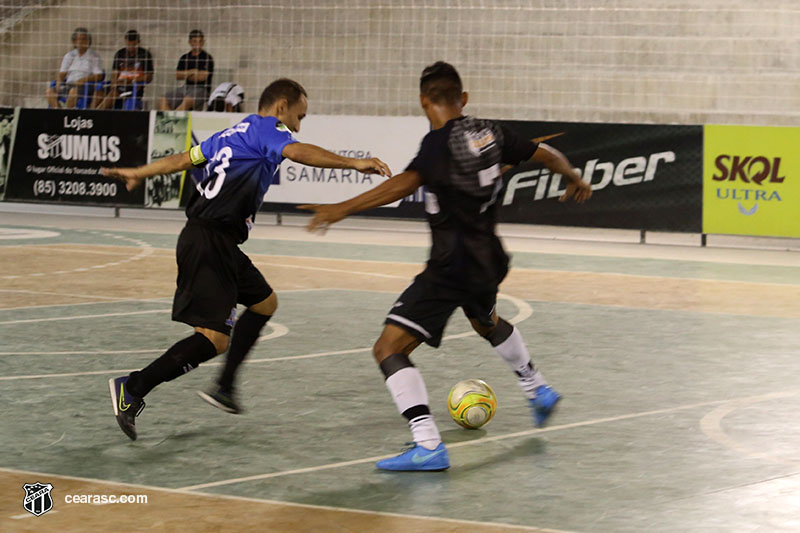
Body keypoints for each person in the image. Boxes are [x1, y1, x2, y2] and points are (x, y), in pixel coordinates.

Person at [300, 62, 592, 471]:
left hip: (451, 266)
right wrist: (574, 177)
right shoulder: (491, 132)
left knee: (388, 349)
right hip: (490, 260)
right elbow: (545, 153)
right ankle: (537, 388)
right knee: (486, 322)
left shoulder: (438, 144)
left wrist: (341, 208)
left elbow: (405, 183)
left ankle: (428, 445)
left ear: (424, 101)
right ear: (463, 98)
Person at [103, 78, 391, 440]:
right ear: (281, 106)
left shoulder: (228, 136)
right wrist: (353, 163)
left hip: (216, 240)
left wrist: (138, 172)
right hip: (210, 240)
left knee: (265, 303)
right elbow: (297, 151)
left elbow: (181, 160)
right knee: (213, 340)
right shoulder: (268, 127)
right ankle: (133, 387)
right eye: (299, 116)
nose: (298, 126)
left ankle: (225, 386)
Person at [93, 30, 154, 110]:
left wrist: (131, 81)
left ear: (138, 42)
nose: (131, 47)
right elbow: (115, 73)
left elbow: (149, 77)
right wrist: (114, 82)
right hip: (119, 83)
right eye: (129, 44)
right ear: (125, 42)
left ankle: (96, 113)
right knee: (99, 93)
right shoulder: (120, 53)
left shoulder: (145, 54)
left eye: (133, 45)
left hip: (133, 86)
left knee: (114, 93)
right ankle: (88, 113)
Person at [45, 28, 103, 109]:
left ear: (88, 41)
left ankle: (68, 114)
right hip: (69, 84)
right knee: (49, 91)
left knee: (73, 92)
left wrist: (84, 80)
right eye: (78, 39)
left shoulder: (94, 56)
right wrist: (58, 83)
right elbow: (62, 73)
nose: (81, 42)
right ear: (74, 42)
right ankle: (59, 112)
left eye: (84, 39)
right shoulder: (69, 55)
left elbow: (99, 76)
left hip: (85, 86)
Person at [159, 29, 214, 111]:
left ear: (203, 42)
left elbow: (202, 77)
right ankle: (169, 118)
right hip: (186, 87)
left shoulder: (207, 58)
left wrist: (186, 74)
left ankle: (174, 118)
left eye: (200, 41)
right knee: (163, 99)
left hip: (202, 89)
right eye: (195, 41)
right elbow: (178, 75)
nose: (198, 44)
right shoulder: (185, 57)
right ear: (190, 42)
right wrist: (192, 72)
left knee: (186, 101)